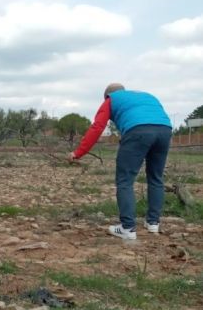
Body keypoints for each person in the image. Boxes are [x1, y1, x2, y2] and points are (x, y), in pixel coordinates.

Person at [69, 83, 172, 240]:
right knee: (156, 177)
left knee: (125, 180)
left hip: (138, 130)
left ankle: (128, 228)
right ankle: (153, 223)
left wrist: (78, 153)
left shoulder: (111, 99)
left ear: (107, 96)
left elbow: (97, 127)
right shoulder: (146, 96)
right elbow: (150, 117)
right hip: (165, 130)